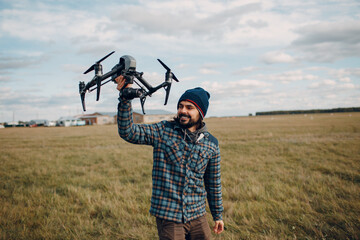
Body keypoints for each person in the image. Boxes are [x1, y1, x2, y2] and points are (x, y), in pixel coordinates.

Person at [115, 75, 224, 239]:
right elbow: (128, 132)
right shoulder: (163, 131)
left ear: (201, 113)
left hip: (198, 214)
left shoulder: (211, 143)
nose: (183, 111)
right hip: (169, 215)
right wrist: (125, 99)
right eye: (180, 106)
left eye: (189, 107)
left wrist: (217, 215)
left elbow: (213, 182)